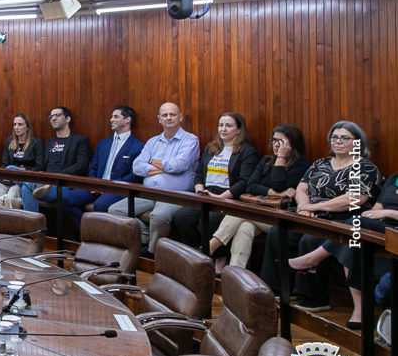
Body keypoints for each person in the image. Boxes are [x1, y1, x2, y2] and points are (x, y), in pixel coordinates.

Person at [262, 121, 381, 313]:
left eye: (345, 138)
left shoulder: (365, 167)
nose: (338, 141)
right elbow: (302, 188)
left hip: (343, 218)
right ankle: (278, 288)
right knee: (278, 232)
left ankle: (315, 298)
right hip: (311, 214)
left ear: (357, 142)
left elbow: (354, 198)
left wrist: (315, 207)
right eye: (335, 137)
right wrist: (303, 207)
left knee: (310, 239)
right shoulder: (320, 163)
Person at [290, 169, 395, 330]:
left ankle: (312, 259)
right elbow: (375, 209)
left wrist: (388, 213)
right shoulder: (393, 179)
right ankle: (359, 310)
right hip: (380, 228)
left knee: (355, 225)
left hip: (395, 233)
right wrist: (372, 214)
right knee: (352, 242)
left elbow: (382, 211)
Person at [208, 124, 309, 272]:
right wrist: (275, 194)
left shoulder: (302, 166)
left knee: (240, 212)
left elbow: (279, 185)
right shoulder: (265, 161)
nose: (276, 144)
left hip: (280, 218)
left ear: (292, 144)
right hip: (257, 214)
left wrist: (281, 158)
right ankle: (235, 274)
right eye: (274, 140)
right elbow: (250, 186)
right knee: (245, 227)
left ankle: (210, 247)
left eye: (281, 141)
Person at [110, 103, 200, 256]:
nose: (168, 118)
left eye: (172, 114)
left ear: (180, 117)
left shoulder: (190, 140)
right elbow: (137, 167)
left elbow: (178, 165)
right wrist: (166, 167)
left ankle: (152, 253)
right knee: (114, 210)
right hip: (148, 193)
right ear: (159, 119)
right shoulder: (153, 142)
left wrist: (152, 162)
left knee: (158, 216)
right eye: (164, 115)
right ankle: (147, 237)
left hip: (175, 195)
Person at [172, 113, 261, 250]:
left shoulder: (247, 152)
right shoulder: (211, 148)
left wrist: (220, 198)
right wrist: (199, 192)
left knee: (207, 222)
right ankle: (194, 253)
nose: (223, 129)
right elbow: (199, 174)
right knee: (181, 218)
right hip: (206, 195)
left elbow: (244, 182)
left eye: (228, 126)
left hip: (228, 198)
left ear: (238, 130)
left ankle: (215, 256)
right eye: (221, 125)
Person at [63, 106, 143, 230]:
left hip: (118, 189)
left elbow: (134, 176)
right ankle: (88, 231)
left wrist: (109, 186)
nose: (111, 119)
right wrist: (94, 183)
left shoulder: (138, 146)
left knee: (100, 205)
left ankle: (98, 236)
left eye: (116, 116)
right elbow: (93, 167)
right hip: (96, 186)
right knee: (67, 199)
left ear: (127, 119)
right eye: (111, 116)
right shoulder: (103, 143)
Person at [19, 106, 90, 213]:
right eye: (51, 116)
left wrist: (57, 175)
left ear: (68, 119)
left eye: (57, 115)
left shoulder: (80, 141)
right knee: (12, 169)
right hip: (45, 182)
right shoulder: (49, 142)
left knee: (26, 187)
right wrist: (28, 170)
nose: (53, 118)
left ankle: (32, 223)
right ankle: (35, 188)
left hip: (64, 185)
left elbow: (81, 166)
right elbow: (42, 166)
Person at [0, 113, 44, 209]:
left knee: (10, 198)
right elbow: (5, 163)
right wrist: (4, 174)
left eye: (20, 124)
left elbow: (40, 166)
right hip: (9, 176)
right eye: (15, 124)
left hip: (24, 178)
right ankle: (1, 215)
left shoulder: (36, 143)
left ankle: (10, 217)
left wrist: (26, 170)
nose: (16, 127)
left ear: (27, 127)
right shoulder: (9, 141)